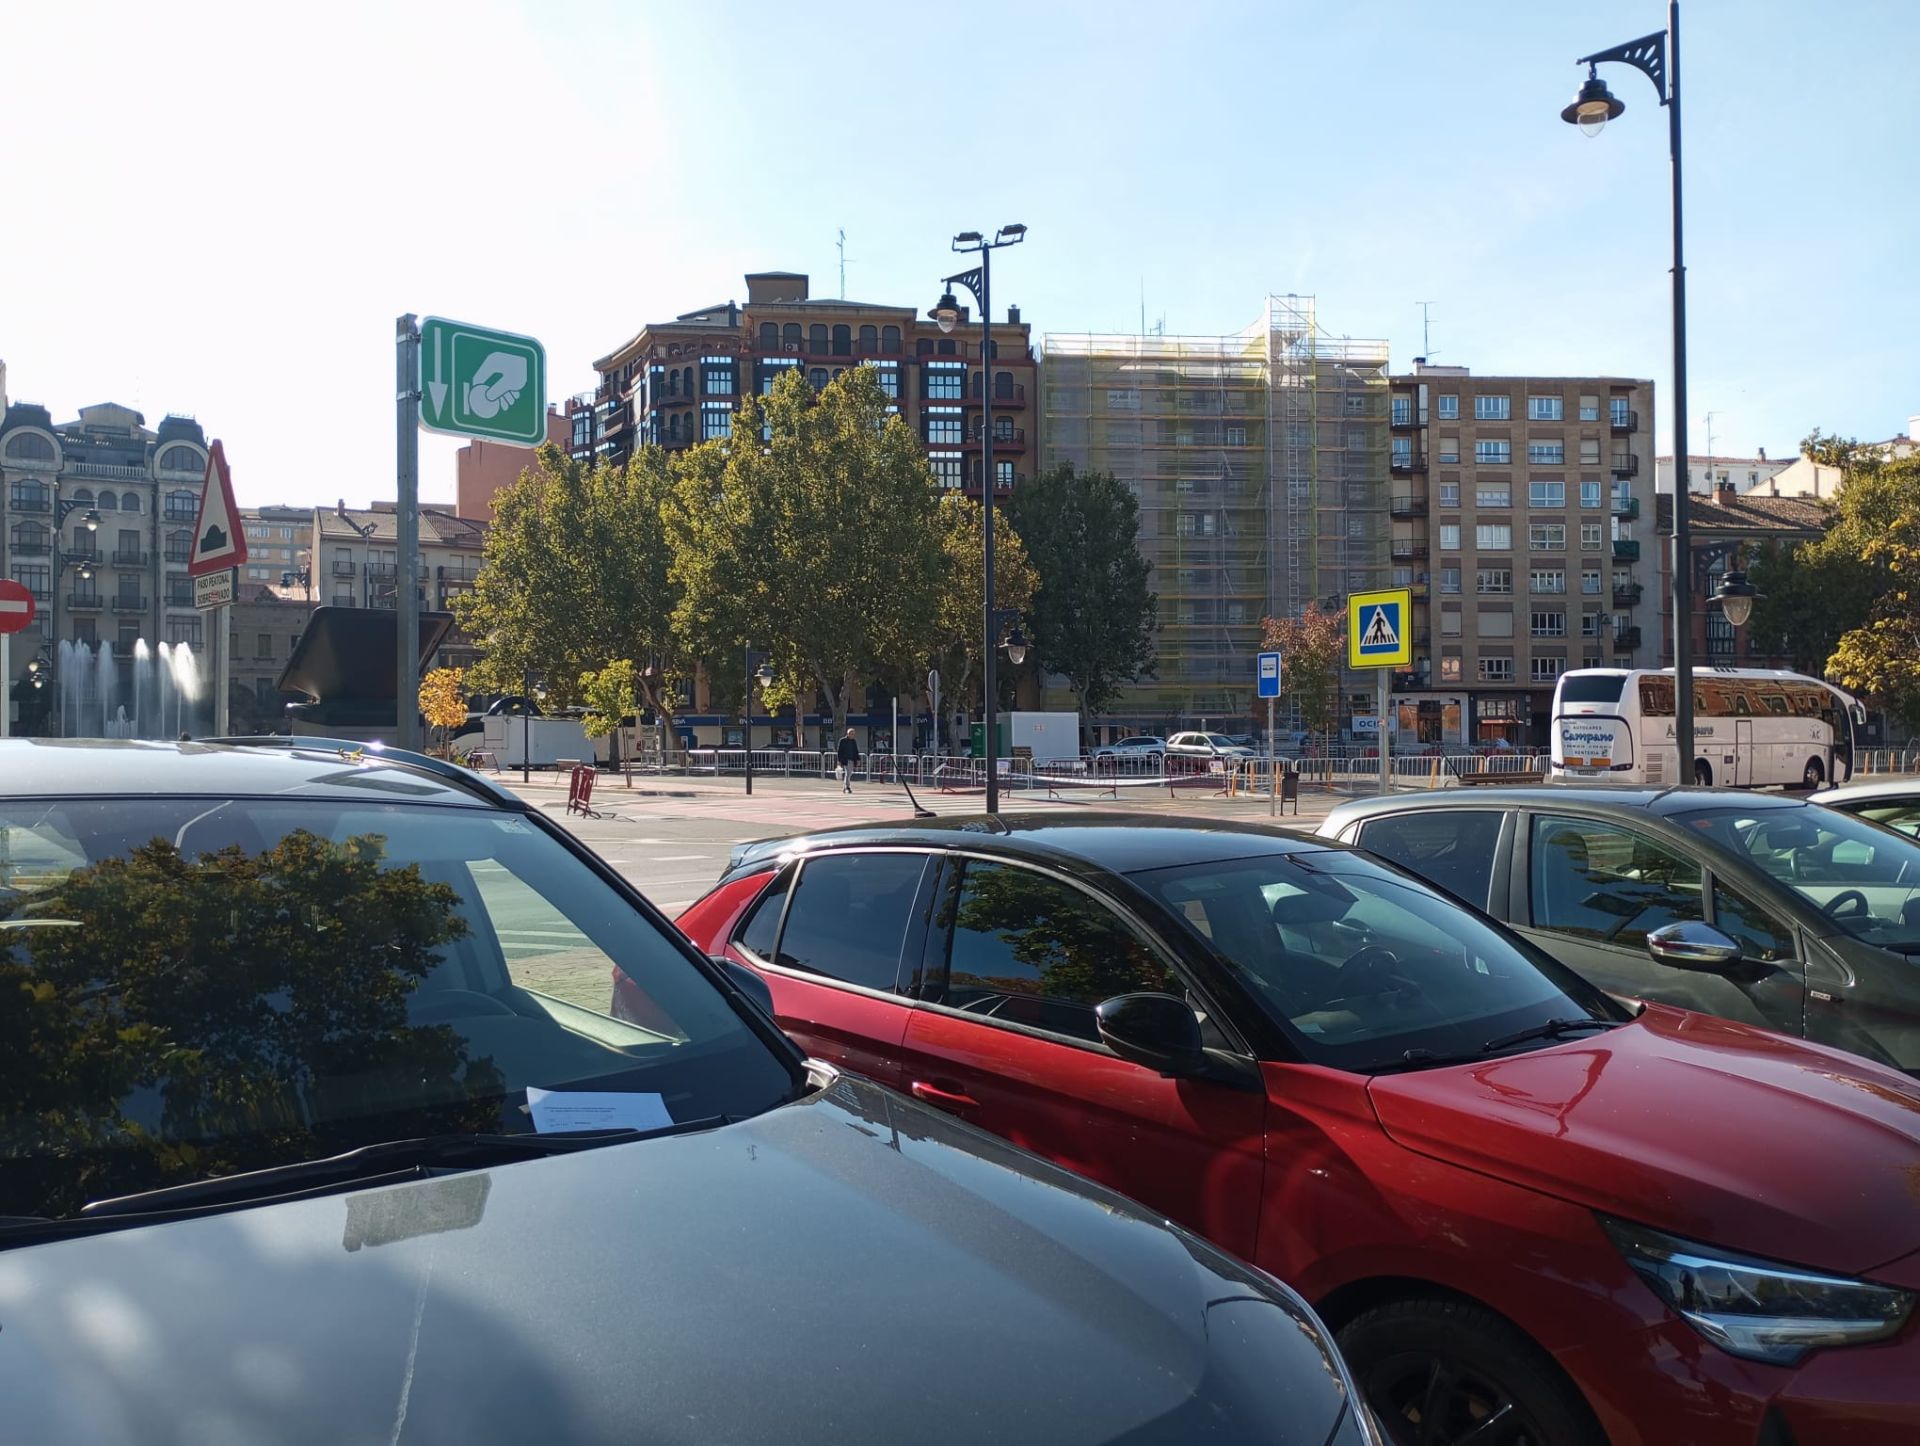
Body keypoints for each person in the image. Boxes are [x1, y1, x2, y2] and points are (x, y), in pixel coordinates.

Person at [835, 728, 860, 793]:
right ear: (848, 734)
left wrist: (858, 759)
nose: (852, 735)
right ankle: (847, 787)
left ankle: (844, 787)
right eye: (851, 734)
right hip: (845, 759)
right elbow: (839, 751)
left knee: (849, 773)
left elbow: (856, 750)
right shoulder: (842, 740)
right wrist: (839, 760)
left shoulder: (853, 741)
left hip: (852, 759)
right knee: (848, 773)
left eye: (853, 734)